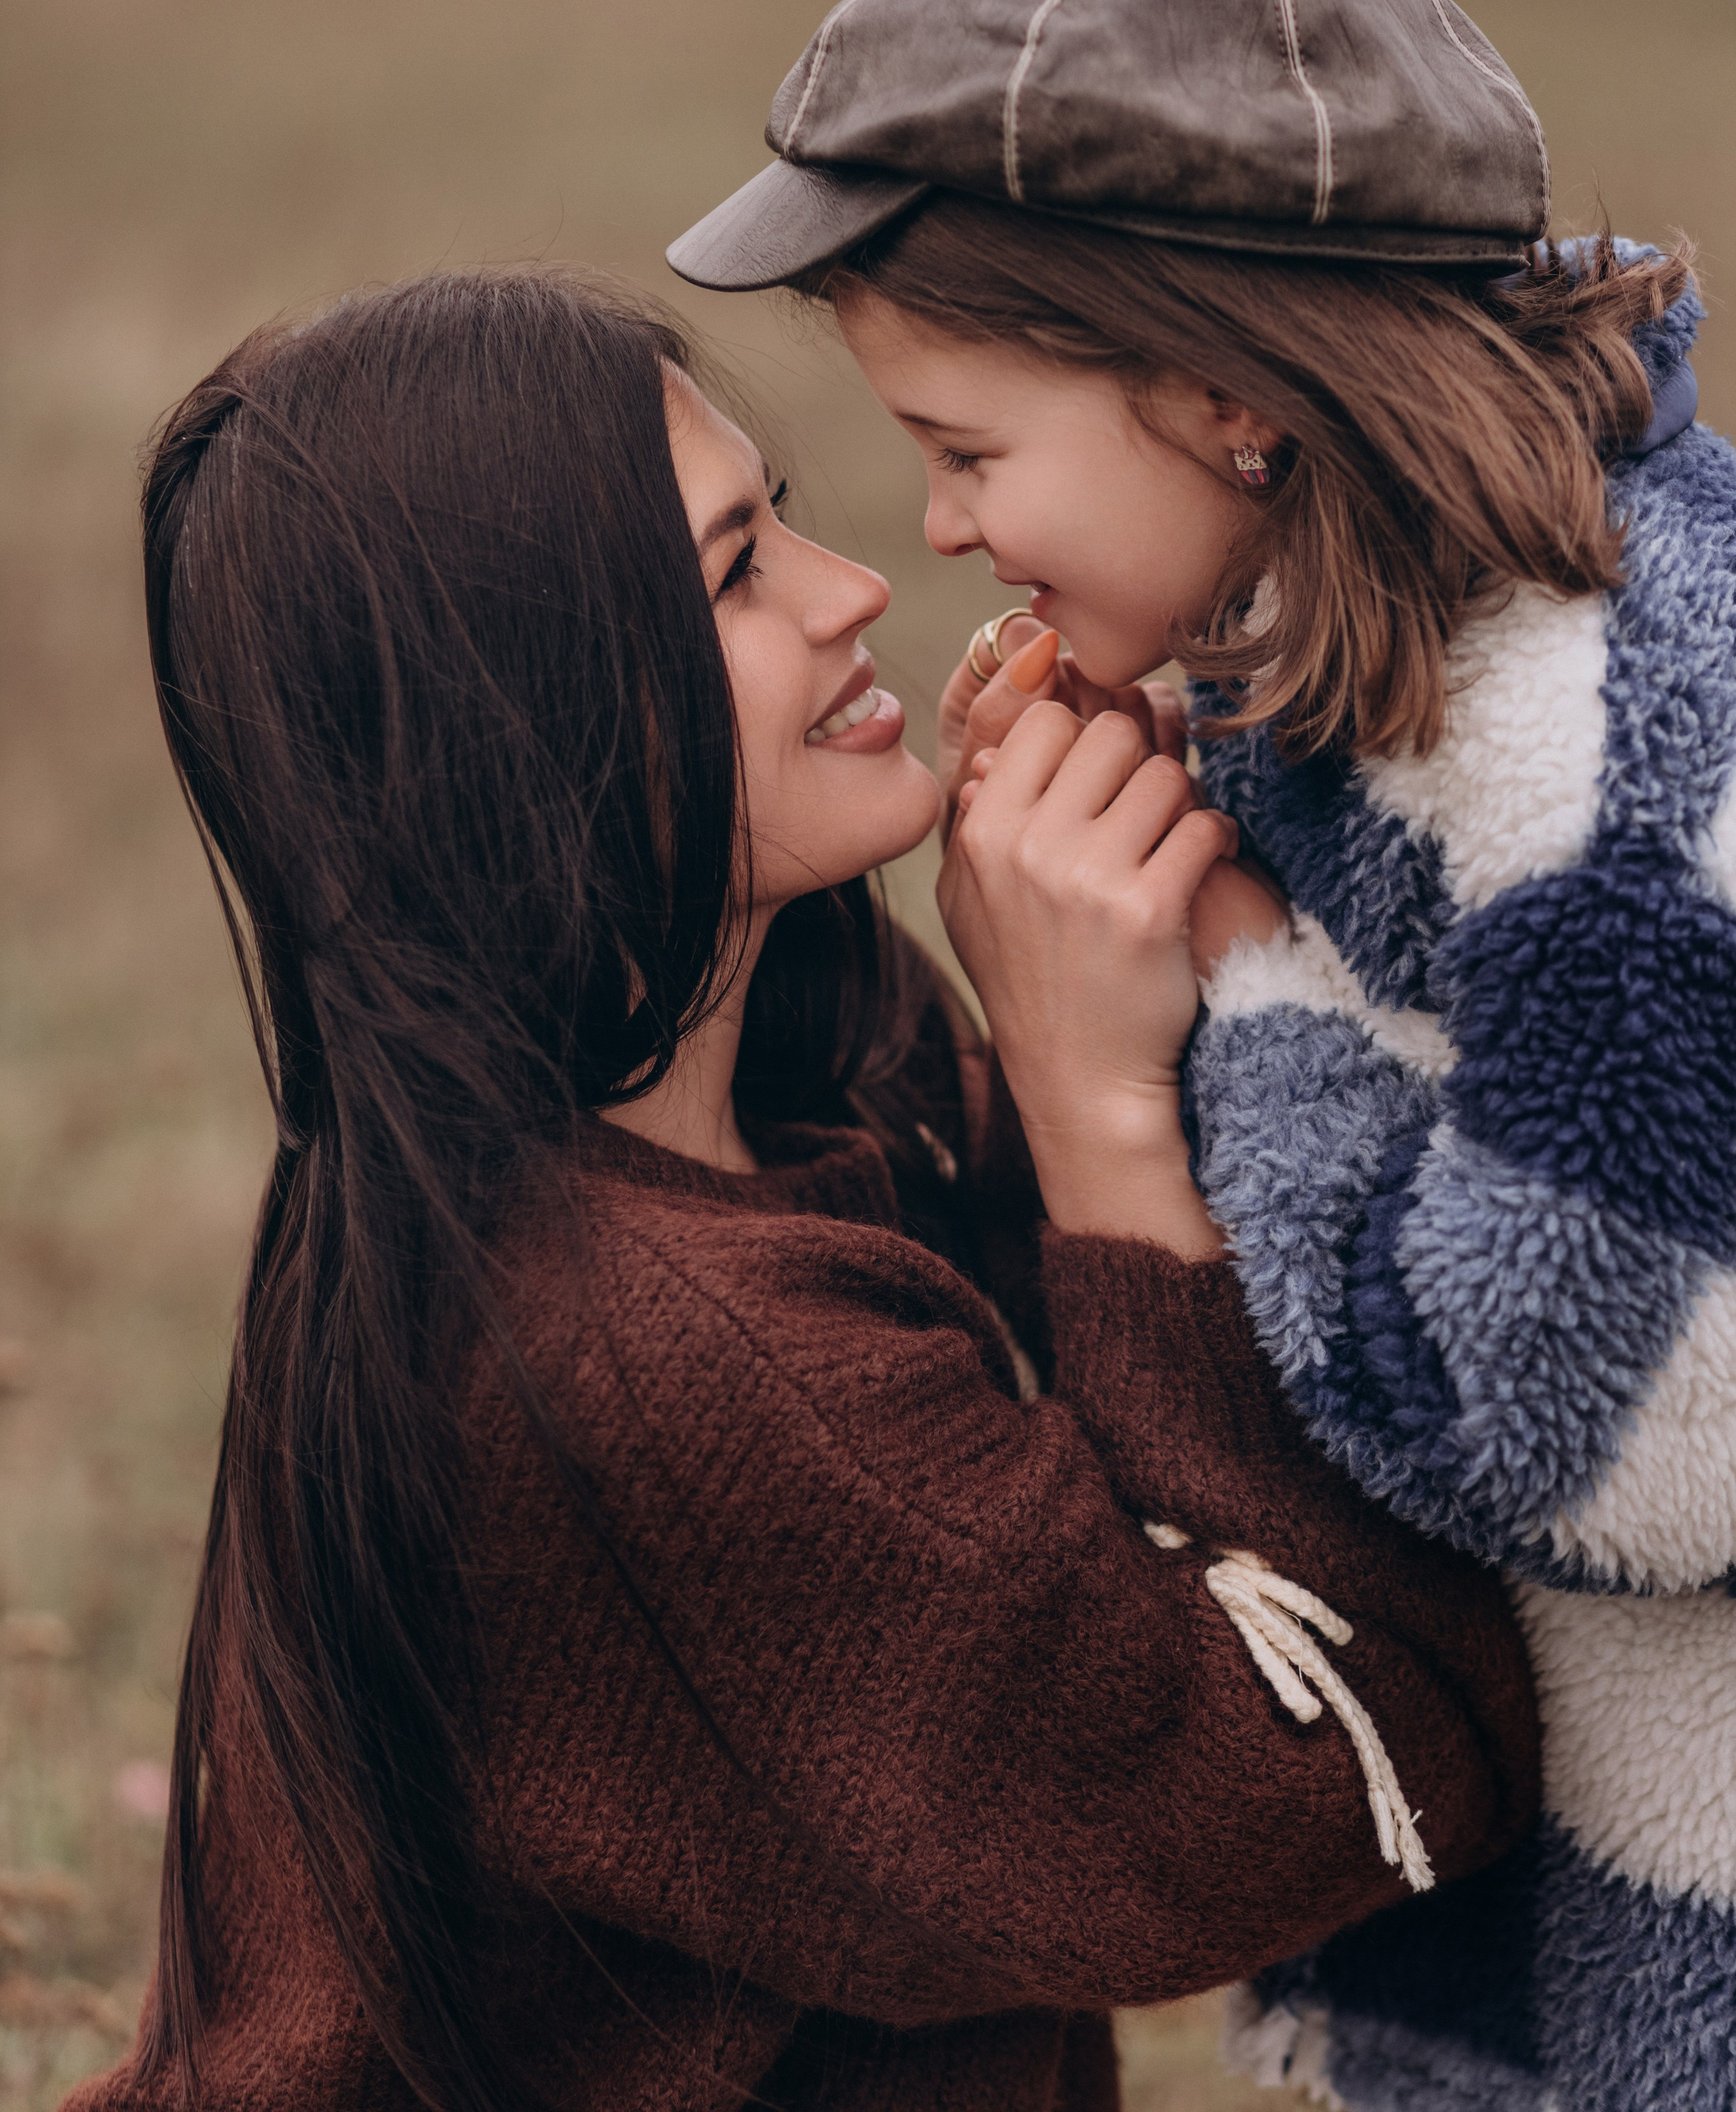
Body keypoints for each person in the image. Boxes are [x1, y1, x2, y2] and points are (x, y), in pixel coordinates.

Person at [76, 268, 1533, 2112]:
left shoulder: (763, 1101)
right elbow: (1320, 1783)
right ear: (530, 721)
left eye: (788, 518)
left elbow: (1166, 1364)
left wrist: (1203, 965)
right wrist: (1094, 1110)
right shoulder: (648, 1361)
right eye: (733, 574)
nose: (854, 593)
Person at [667, 0, 1736, 2110]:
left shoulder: (1599, 753)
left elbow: (1623, 1431)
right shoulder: (1362, 680)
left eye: (967, 446)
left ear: (1227, 397)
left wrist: (1223, 1002)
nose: (942, 529)